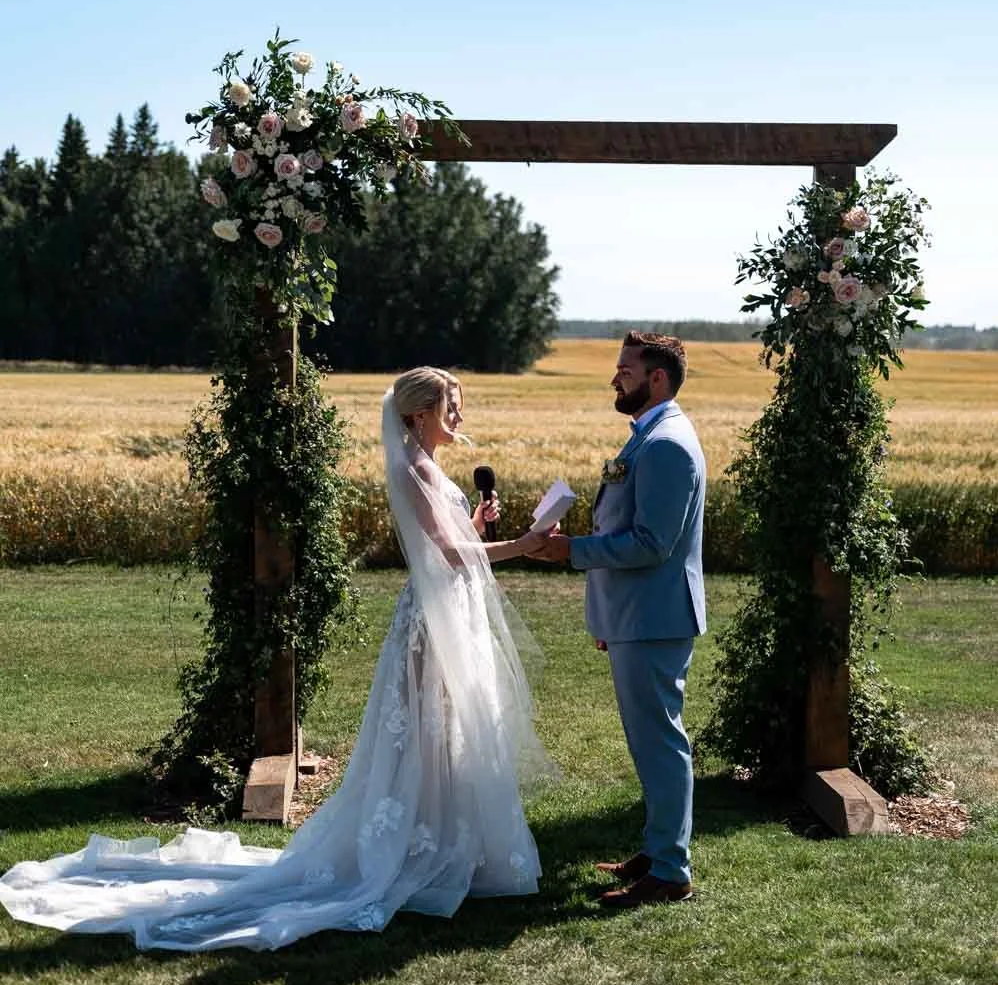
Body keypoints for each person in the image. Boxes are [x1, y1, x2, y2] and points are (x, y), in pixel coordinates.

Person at [0, 368, 558, 951]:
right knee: (427, 732)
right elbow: (444, 551)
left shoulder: (429, 467)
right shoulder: (415, 469)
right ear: (418, 414)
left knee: (448, 730)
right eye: (452, 407)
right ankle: (423, 848)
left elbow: (450, 541)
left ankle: (449, 844)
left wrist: (478, 525)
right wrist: (520, 545)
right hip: (432, 617)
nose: (460, 418)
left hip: (449, 607)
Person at [527, 332, 706, 908]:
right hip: (635, 616)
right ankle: (657, 852)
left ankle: (670, 871)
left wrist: (570, 551)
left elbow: (653, 543)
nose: (615, 379)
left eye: (625, 369)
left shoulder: (667, 446)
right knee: (649, 742)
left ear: (657, 378)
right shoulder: (648, 438)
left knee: (660, 743)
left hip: (654, 617)